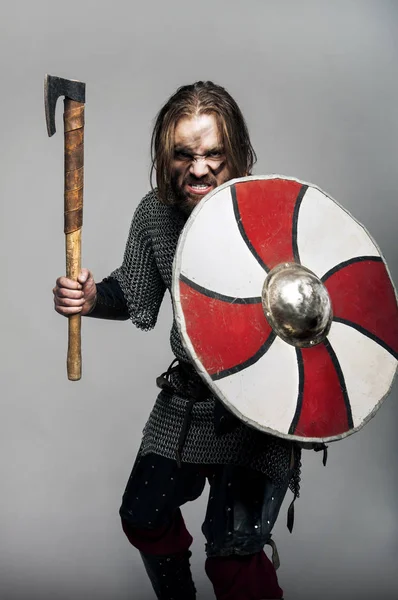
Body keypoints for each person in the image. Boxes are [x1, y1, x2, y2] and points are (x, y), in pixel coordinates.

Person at [53, 81, 302, 600]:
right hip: (187, 401)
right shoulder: (156, 214)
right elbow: (136, 292)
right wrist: (94, 298)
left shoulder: (275, 217)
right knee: (144, 516)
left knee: (234, 553)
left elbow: (318, 314)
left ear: (236, 151)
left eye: (214, 153)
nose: (199, 167)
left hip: (257, 410)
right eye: (184, 154)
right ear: (166, 157)